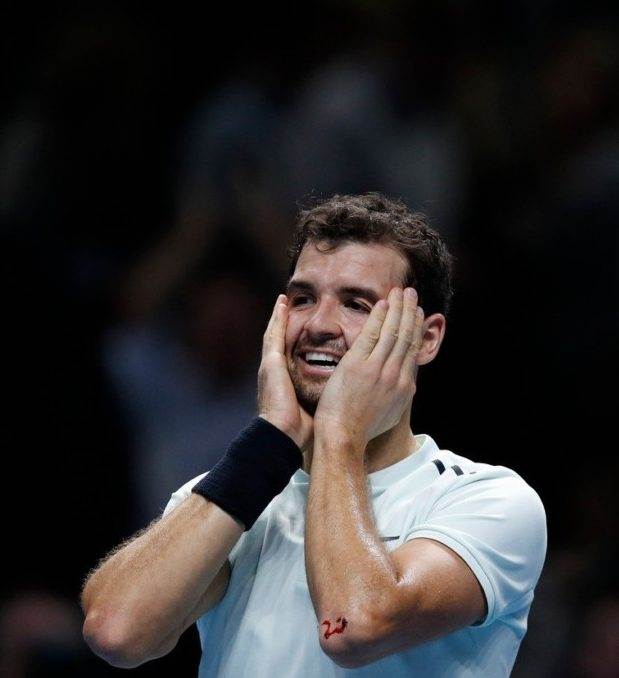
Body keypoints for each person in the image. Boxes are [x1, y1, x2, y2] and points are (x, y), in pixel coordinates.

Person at [81, 193, 547, 677]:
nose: (319, 325)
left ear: (425, 338)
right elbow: (116, 633)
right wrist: (271, 440)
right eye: (303, 299)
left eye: (356, 304)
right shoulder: (235, 492)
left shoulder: (489, 501)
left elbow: (355, 626)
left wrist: (338, 434)